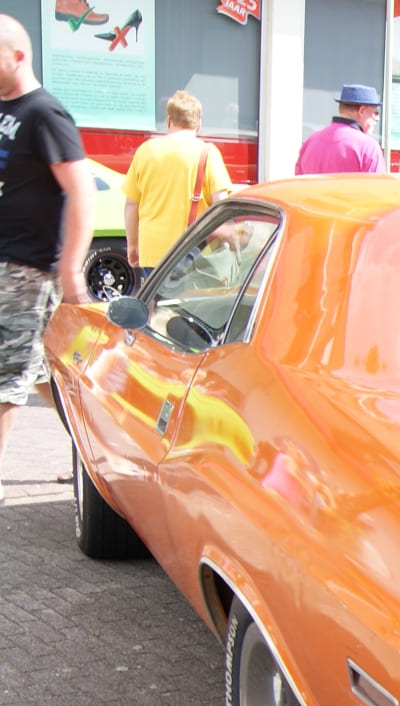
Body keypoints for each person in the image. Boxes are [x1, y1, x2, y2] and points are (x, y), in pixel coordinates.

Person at [0, 15, 95, 502]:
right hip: (6, 263)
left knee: (7, 375)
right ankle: (89, 451)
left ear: (17, 55)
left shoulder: (44, 113)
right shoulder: (6, 109)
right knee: (38, 373)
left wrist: (70, 265)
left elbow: (81, 191)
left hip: (27, 268)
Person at [122, 90, 232, 275]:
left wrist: (133, 245)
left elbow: (132, 204)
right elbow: (221, 203)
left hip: (153, 251)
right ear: (198, 125)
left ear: (169, 121)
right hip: (192, 251)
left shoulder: (146, 151)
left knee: (156, 304)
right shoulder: (207, 153)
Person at [295, 84, 384, 175]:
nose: (378, 119)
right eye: (375, 113)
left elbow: (298, 185)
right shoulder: (368, 147)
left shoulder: (310, 142)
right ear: (362, 111)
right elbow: (378, 187)